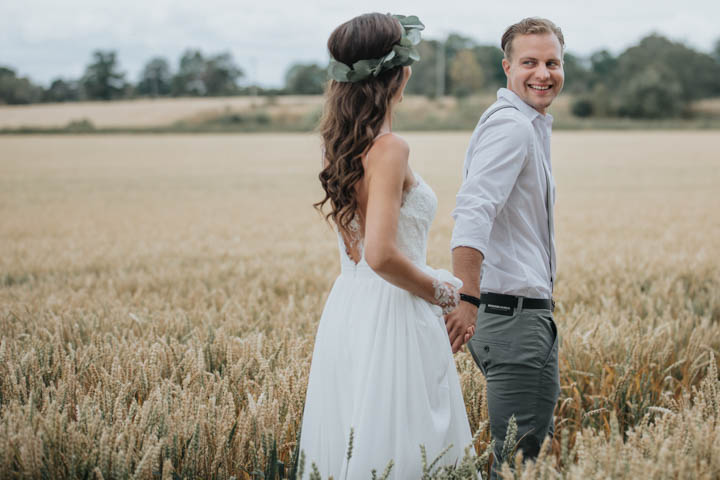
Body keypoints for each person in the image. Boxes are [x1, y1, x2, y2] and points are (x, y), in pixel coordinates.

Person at [298, 12, 474, 479]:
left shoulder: (339, 144)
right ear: (400, 72)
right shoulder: (390, 148)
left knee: (360, 435)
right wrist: (442, 290)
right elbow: (380, 255)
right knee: (409, 444)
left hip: (349, 308)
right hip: (396, 310)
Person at [444, 17, 565, 480]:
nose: (543, 73)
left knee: (516, 457)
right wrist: (467, 298)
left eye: (552, 62)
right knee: (518, 464)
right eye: (529, 62)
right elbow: (473, 211)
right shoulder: (513, 128)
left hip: (513, 314)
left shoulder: (522, 124)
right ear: (507, 67)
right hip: (513, 318)